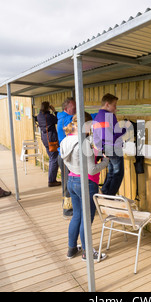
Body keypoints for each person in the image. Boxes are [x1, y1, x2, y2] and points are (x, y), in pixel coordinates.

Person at [60, 112, 109, 262]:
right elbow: (92, 170)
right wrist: (105, 161)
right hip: (85, 183)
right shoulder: (84, 143)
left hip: (72, 181)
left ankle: (71, 249)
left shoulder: (65, 141)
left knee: (77, 216)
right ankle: (87, 253)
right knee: (87, 219)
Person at [93, 93, 130, 196]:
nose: (115, 108)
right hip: (113, 148)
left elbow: (96, 136)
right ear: (107, 104)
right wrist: (125, 129)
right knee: (118, 173)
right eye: (114, 105)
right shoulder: (108, 116)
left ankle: (105, 192)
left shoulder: (97, 116)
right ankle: (110, 197)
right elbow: (112, 135)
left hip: (105, 148)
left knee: (111, 173)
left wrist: (101, 148)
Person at [57, 97, 76, 218]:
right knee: (66, 184)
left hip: (68, 155)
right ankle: (67, 211)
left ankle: (70, 207)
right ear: (66, 108)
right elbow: (79, 118)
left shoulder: (66, 117)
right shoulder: (65, 119)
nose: (75, 109)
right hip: (65, 157)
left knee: (70, 183)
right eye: (73, 107)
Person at [37, 101, 60, 187]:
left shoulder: (39, 116)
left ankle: (52, 179)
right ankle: (52, 181)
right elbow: (58, 119)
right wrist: (54, 110)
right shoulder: (49, 116)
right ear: (48, 108)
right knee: (54, 159)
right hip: (51, 140)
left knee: (51, 158)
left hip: (45, 139)